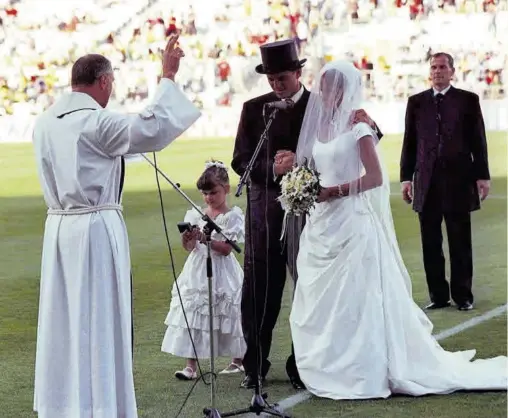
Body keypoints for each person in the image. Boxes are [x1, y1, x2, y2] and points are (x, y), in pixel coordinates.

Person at [289, 59, 506, 400]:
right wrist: (303, 184)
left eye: (330, 88)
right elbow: (314, 167)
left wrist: (336, 191)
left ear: (343, 91)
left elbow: (375, 177)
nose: (323, 93)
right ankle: (334, 362)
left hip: (352, 219)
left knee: (361, 294)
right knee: (330, 299)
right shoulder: (318, 128)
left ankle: (367, 364)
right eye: (322, 87)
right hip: (322, 222)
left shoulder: (358, 125)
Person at [32, 35, 201, 418]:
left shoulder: (44, 122)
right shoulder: (95, 122)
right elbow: (152, 127)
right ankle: (100, 404)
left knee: (65, 321)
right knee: (98, 318)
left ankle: (63, 404)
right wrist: (168, 76)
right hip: (94, 227)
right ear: (104, 82)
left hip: (58, 231)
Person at [231, 38, 383, 390]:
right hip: (264, 215)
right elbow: (241, 160)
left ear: (298, 73)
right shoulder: (254, 109)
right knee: (259, 291)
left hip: (315, 215)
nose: (275, 83)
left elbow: (361, 142)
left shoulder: (323, 104)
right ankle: (255, 364)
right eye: (270, 78)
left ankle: (306, 364)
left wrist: (371, 123)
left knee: (312, 290)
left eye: (281, 76)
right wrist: (274, 168)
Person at [400, 52, 490, 311]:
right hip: (426, 183)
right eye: (434, 67)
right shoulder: (416, 102)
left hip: (459, 181)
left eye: (442, 67)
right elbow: (410, 143)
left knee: (460, 241)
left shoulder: (467, 100)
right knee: (430, 243)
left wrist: (482, 176)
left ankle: (463, 296)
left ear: (452, 71)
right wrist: (406, 178)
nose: (437, 71)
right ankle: (438, 296)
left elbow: (478, 140)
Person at [161, 160, 246, 379]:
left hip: (222, 270)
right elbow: (190, 248)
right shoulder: (195, 214)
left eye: (213, 192)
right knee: (194, 311)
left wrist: (206, 239)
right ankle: (191, 365)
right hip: (197, 268)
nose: (208, 198)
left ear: (226, 189)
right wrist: (189, 238)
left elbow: (227, 249)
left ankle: (238, 359)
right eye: (204, 193)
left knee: (229, 311)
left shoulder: (232, 216)